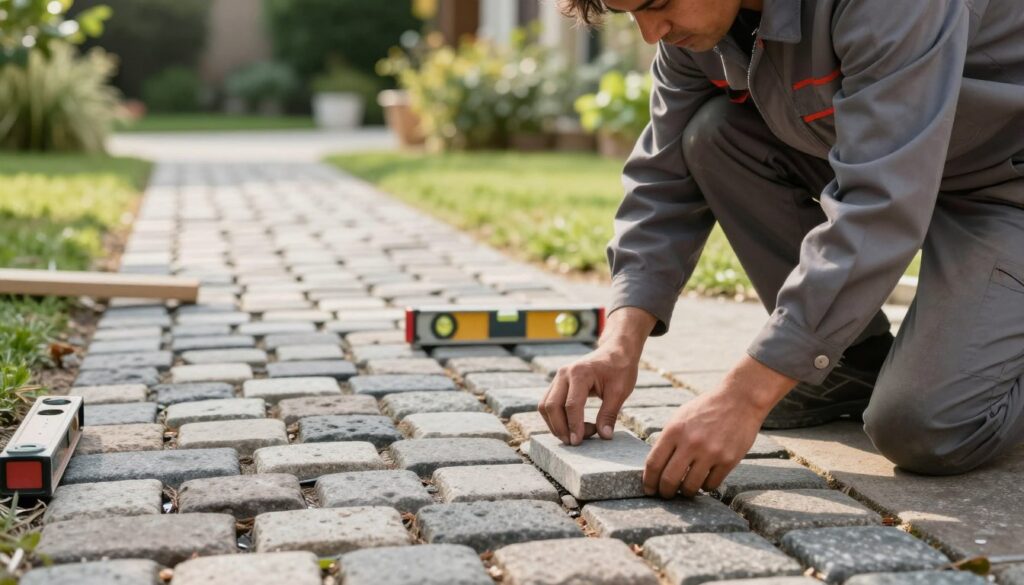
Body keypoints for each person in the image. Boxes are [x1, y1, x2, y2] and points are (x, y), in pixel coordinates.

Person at [538, 0, 1024, 499]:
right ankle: (846, 366)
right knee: (712, 134)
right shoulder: (694, 32)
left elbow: (879, 205)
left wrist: (745, 397)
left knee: (927, 429)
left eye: (658, 4)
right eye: (631, 14)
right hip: (904, 164)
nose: (650, 33)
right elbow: (662, 180)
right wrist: (619, 343)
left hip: (1004, 188)